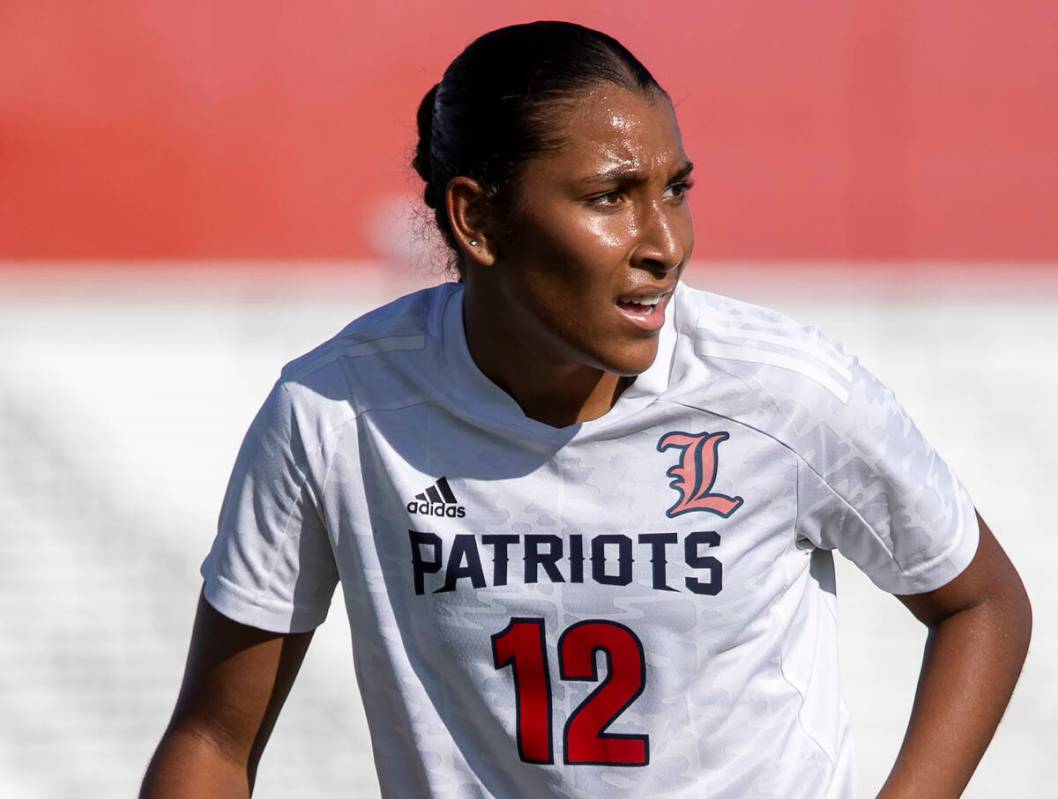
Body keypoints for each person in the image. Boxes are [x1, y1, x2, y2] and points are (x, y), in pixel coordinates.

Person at [141, 20, 1031, 798]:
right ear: (477, 221)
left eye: (676, 189)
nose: (665, 244)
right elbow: (214, 741)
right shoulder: (334, 411)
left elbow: (982, 601)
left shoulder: (786, 392)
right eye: (611, 197)